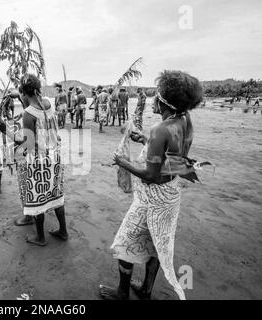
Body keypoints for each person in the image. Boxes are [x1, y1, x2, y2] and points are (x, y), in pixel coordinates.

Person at [99, 70, 203, 301]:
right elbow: (173, 155)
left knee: (124, 242)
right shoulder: (185, 120)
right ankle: (145, 289)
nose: (153, 99)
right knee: (158, 242)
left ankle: (122, 292)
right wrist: (146, 140)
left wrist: (122, 162)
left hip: (152, 199)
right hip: (171, 195)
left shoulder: (160, 130)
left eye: (157, 95)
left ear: (163, 101)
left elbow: (151, 175)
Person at [0, 74, 67, 246]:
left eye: (21, 95)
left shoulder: (28, 114)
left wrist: (5, 129)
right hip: (54, 157)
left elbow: (28, 143)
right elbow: (31, 101)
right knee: (56, 194)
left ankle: (40, 238)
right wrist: (19, 94)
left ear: (24, 94)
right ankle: (63, 231)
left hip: (39, 161)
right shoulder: (48, 103)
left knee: (37, 196)